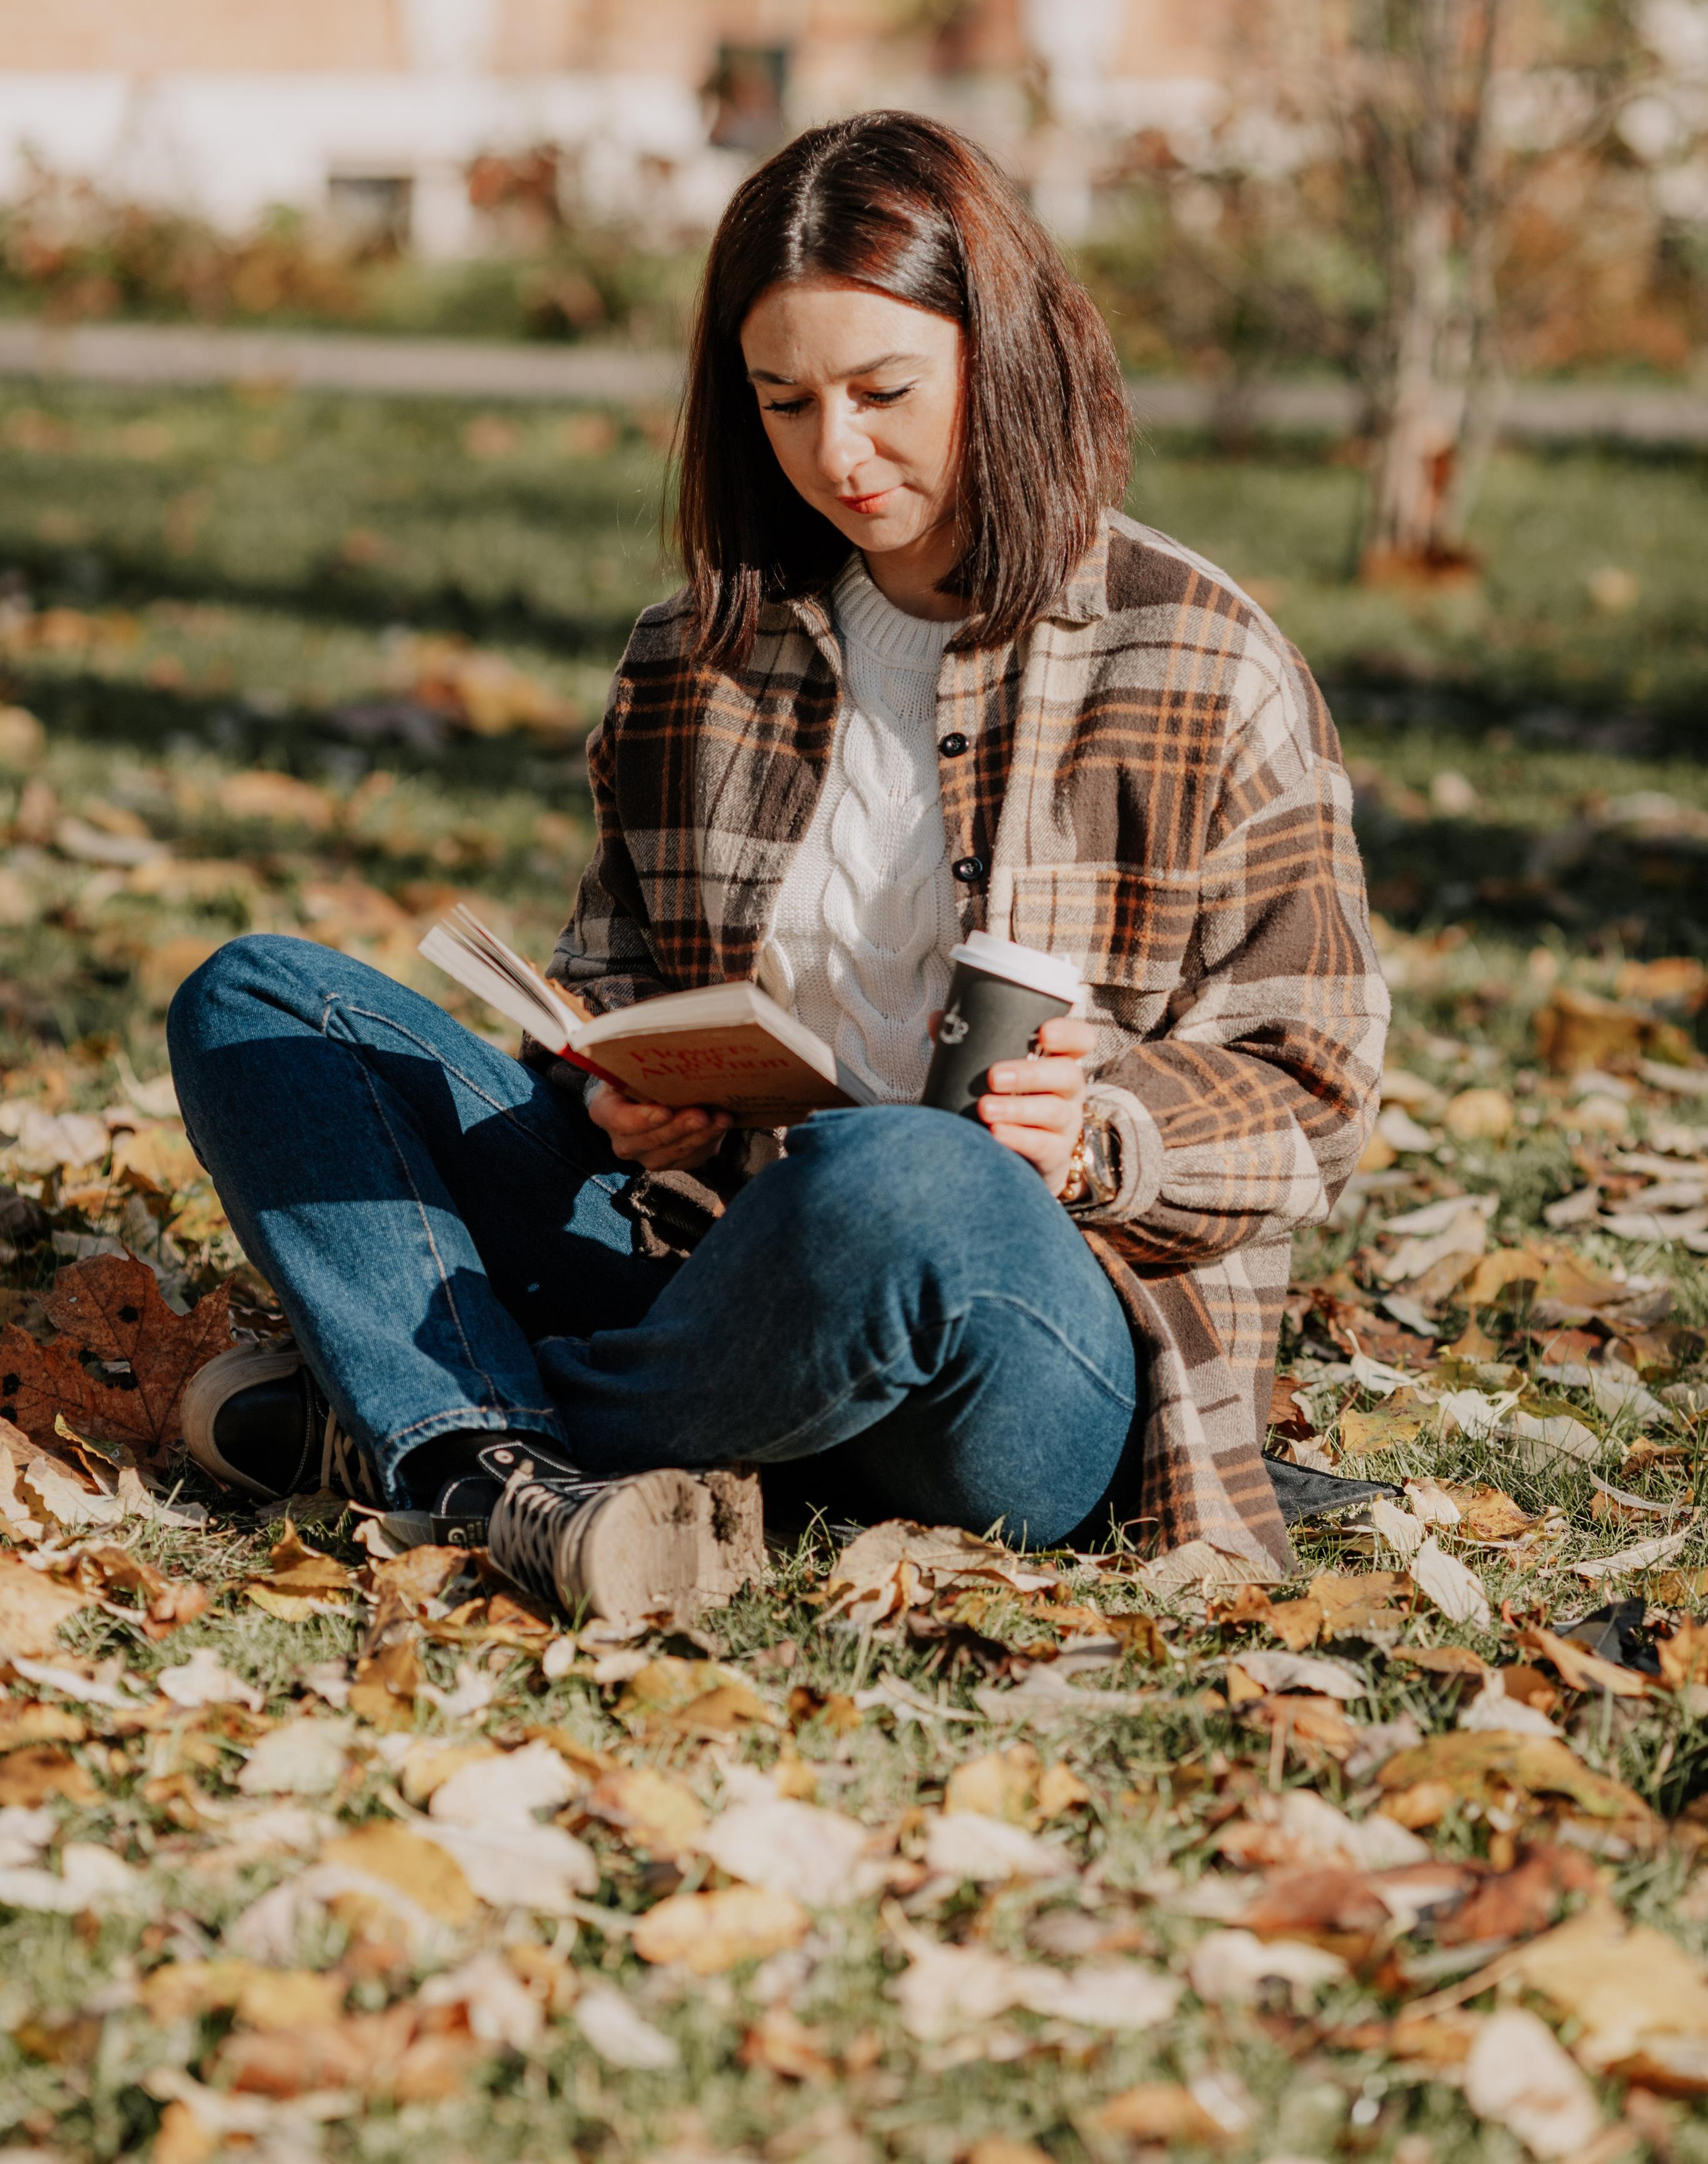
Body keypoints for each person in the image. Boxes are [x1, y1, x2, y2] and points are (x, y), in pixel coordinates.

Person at [168, 111, 1388, 1622]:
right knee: (263, 999)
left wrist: (1101, 1134)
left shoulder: (1198, 659)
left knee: (897, 1180)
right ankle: (508, 1480)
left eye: (884, 392)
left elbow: (1314, 1089)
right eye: (783, 402)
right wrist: (623, 1085)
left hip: (1016, 1335)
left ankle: (428, 1426)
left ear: (997, 354)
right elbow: (613, 975)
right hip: (701, 1263)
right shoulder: (694, 653)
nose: (837, 453)